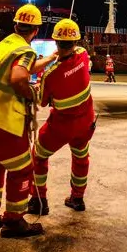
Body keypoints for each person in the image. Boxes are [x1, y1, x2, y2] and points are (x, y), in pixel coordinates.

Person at [0, 4, 56, 238]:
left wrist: (49, 59)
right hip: (1, 117)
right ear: (35, 30)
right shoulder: (24, 51)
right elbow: (19, 77)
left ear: (16, 25)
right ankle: (14, 221)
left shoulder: (6, 45)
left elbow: (21, 68)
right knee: (22, 169)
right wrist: (32, 94)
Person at [28, 19, 95, 215]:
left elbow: (42, 101)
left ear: (56, 43)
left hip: (60, 127)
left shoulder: (50, 75)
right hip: (85, 124)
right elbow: (76, 53)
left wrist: (48, 63)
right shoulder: (83, 55)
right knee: (81, 158)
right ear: (76, 42)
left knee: (38, 156)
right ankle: (78, 198)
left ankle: (39, 200)